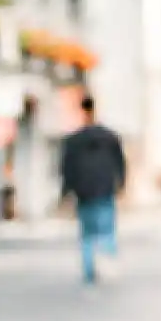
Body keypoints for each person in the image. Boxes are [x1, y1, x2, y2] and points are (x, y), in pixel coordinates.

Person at [58, 97, 128, 285]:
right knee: (107, 231)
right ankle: (107, 265)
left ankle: (90, 272)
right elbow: (120, 163)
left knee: (87, 234)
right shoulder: (110, 137)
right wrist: (120, 184)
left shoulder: (73, 140)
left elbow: (66, 169)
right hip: (105, 189)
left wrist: (65, 193)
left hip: (84, 192)